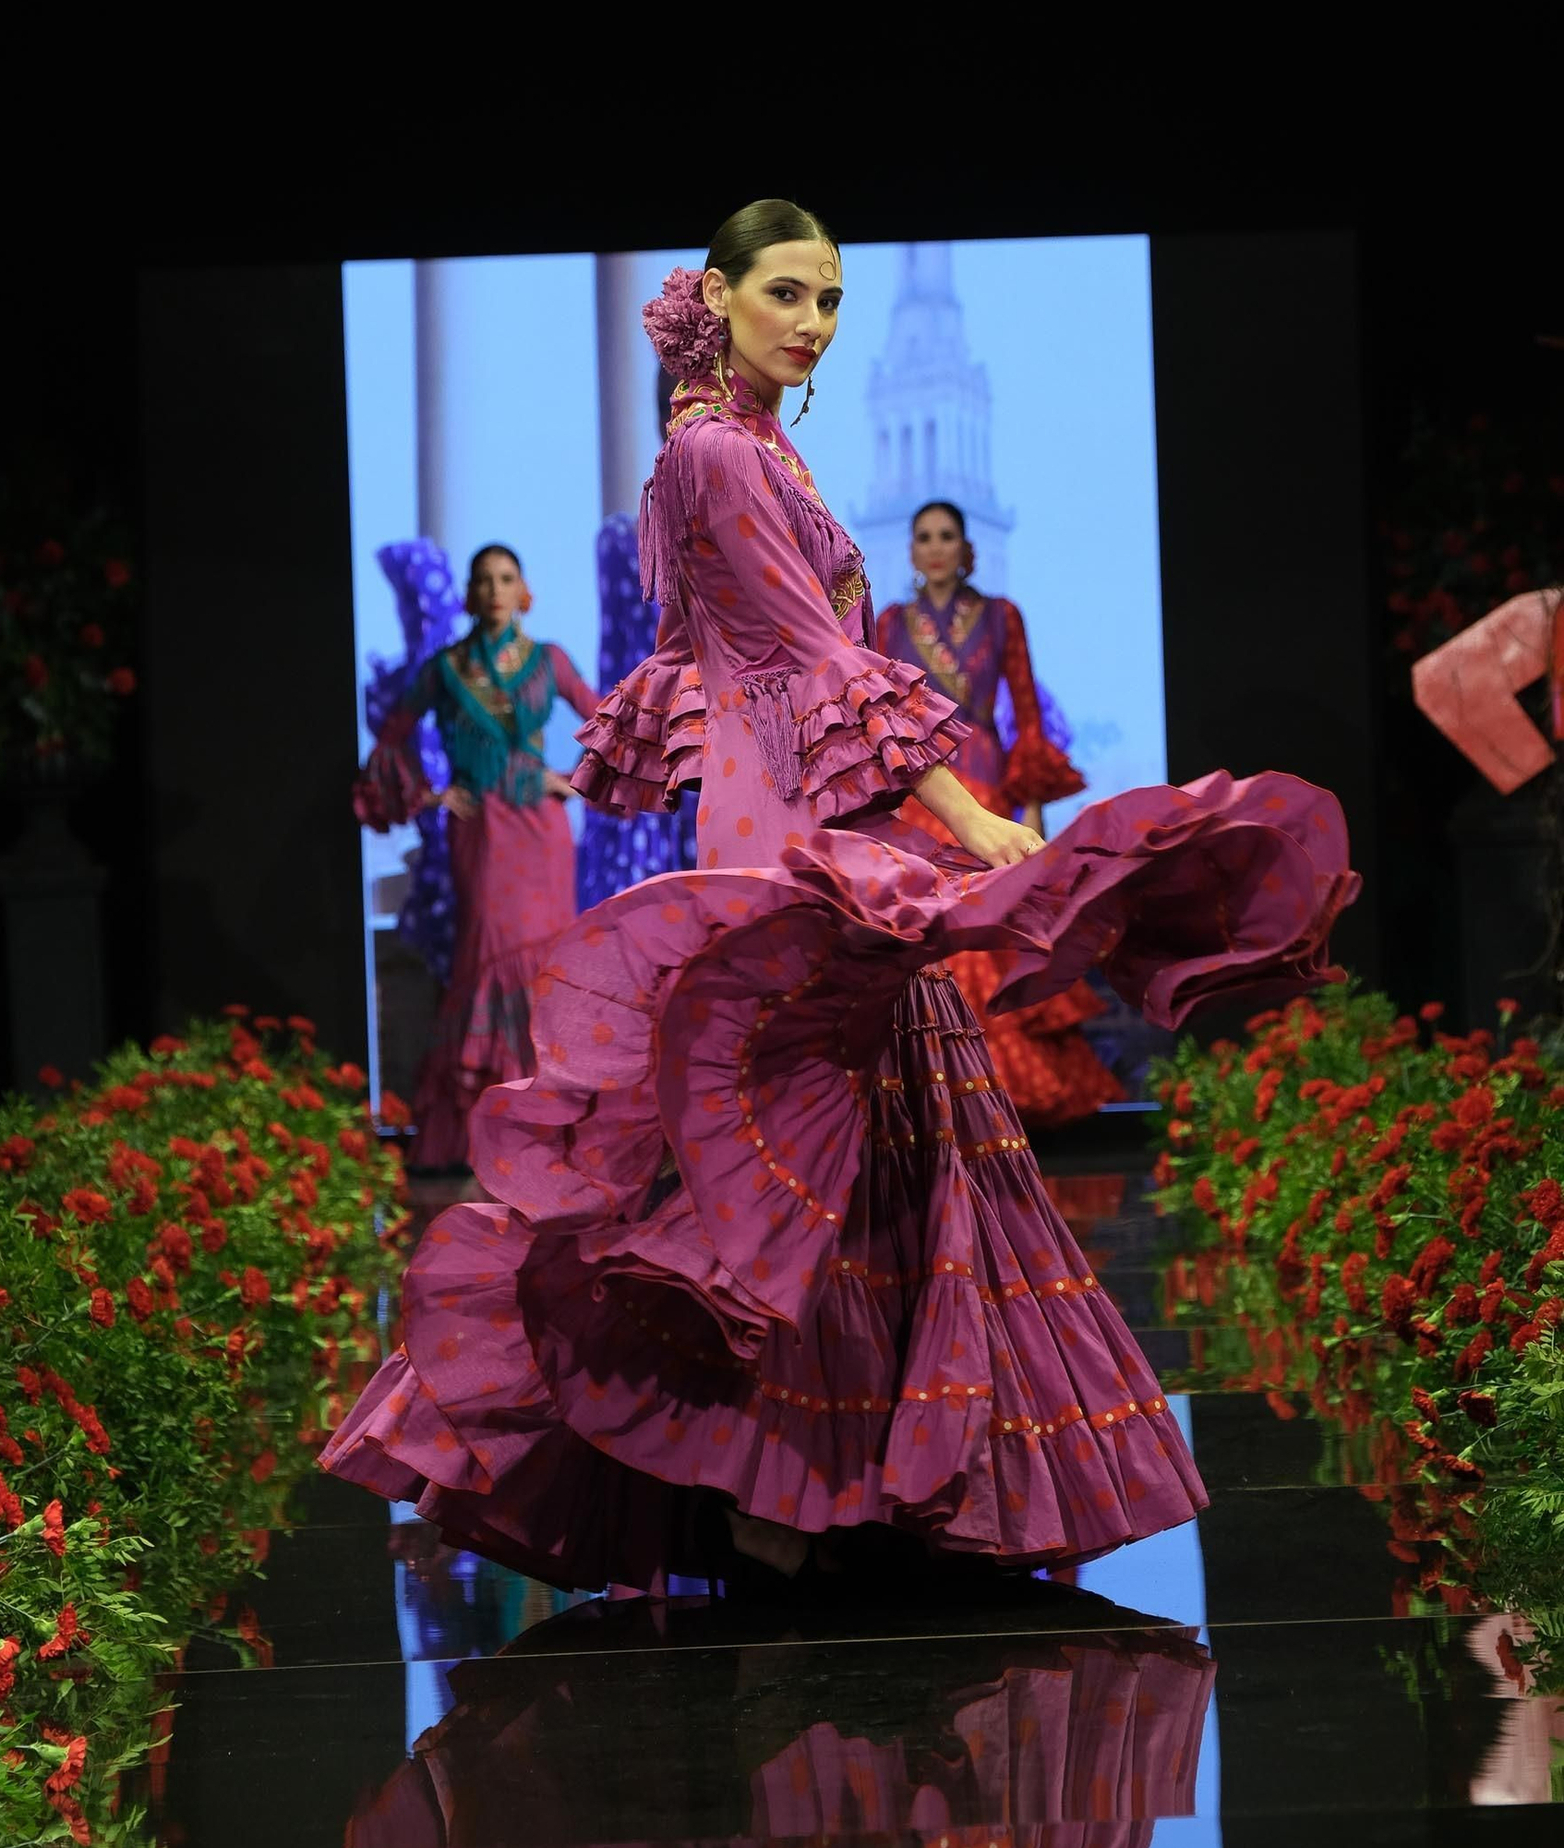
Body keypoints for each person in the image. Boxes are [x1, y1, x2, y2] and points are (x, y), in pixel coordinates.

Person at [325, 200, 1357, 1593]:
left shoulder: (756, 446)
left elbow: (739, 661)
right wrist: (966, 810)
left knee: (854, 1123)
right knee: (800, 1128)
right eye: (791, 294)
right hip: (794, 816)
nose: (813, 322)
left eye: (830, 301)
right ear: (724, 296)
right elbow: (806, 660)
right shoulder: (712, 453)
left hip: (815, 798)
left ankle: (829, 1478)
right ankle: (779, 1484)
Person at [875, 504, 1126, 1127]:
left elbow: (1028, 717)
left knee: (997, 922)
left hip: (989, 782)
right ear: (911, 552)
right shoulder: (887, 625)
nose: (935, 549)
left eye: (946, 537)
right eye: (924, 538)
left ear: (966, 549)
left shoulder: (1001, 616)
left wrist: (1033, 810)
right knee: (938, 927)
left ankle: (1002, 1098)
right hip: (925, 789)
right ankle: (937, 1093)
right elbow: (878, 722)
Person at [353, 542, 596, 1171]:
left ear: (525, 592)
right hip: (482, 832)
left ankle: (555, 1129)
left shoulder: (549, 661)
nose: (494, 589)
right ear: (468, 594)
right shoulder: (446, 667)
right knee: (487, 955)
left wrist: (571, 781)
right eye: (484, 580)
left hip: (541, 835)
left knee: (549, 966)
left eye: (506, 578)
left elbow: (609, 723)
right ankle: (488, 1136)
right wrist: (429, 794)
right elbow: (390, 737)